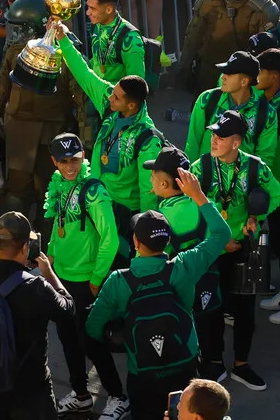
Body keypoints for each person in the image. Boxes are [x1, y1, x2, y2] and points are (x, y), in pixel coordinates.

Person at [87, 168, 231, 420]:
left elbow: (92, 328)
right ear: (166, 242)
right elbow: (222, 233)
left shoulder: (119, 281)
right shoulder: (184, 266)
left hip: (143, 374)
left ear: (135, 242)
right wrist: (198, 196)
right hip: (184, 367)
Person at [192, 110, 280, 389]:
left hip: (243, 251)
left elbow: (276, 194)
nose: (214, 139)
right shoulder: (201, 167)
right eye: (213, 134)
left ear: (236, 142)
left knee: (245, 312)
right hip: (210, 252)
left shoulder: (255, 168)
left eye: (221, 136)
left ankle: (241, 365)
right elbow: (188, 209)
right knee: (210, 311)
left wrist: (256, 218)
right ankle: (213, 363)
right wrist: (217, 240)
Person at [0, 211, 76, 420]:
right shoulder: (35, 287)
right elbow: (68, 309)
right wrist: (48, 273)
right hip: (30, 391)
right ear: (25, 248)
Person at [42, 133, 128, 420]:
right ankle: (81, 395)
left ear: (83, 158)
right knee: (67, 338)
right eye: (64, 161)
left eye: (75, 160)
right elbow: (58, 224)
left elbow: (110, 239)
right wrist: (50, 258)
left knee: (92, 341)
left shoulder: (94, 191)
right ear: (54, 161)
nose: (70, 167)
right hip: (61, 278)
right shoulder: (58, 184)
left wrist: (95, 280)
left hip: (87, 282)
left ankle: (118, 396)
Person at [0, 0, 86, 210]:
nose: (14, 35)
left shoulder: (67, 53)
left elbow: (82, 100)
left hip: (53, 133)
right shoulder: (16, 53)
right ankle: (18, 241)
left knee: (50, 195)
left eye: (20, 29)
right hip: (19, 133)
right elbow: (0, 90)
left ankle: (47, 243)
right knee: (17, 193)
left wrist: (85, 140)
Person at [59, 30, 164, 237]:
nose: (110, 98)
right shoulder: (111, 104)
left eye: (116, 97)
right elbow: (85, 74)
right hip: (98, 201)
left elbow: (149, 190)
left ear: (132, 105)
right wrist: (62, 40)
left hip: (124, 215)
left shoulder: (148, 139)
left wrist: (143, 231)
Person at [178, 0, 277, 93]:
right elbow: (193, 38)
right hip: (209, 70)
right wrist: (183, 70)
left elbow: (266, 55)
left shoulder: (264, 11)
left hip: (242, 74)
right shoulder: (207, 2)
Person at [184, 50, 262, 163]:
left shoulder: (265, 113)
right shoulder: (207, 99)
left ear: (244, 81)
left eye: (229, 74)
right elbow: (192, 144)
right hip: (204, 177)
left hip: (241, 180)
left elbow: (264, 157)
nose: (222, 77)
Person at [85, 0, 146, 82]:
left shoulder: (130, 38)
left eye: (93, 8)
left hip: (115, 96)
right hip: (94, 93)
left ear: (109, 9)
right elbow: (97, 60)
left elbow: (136, 84)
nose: (88, 12)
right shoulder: (96, 26)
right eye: (88, 7)